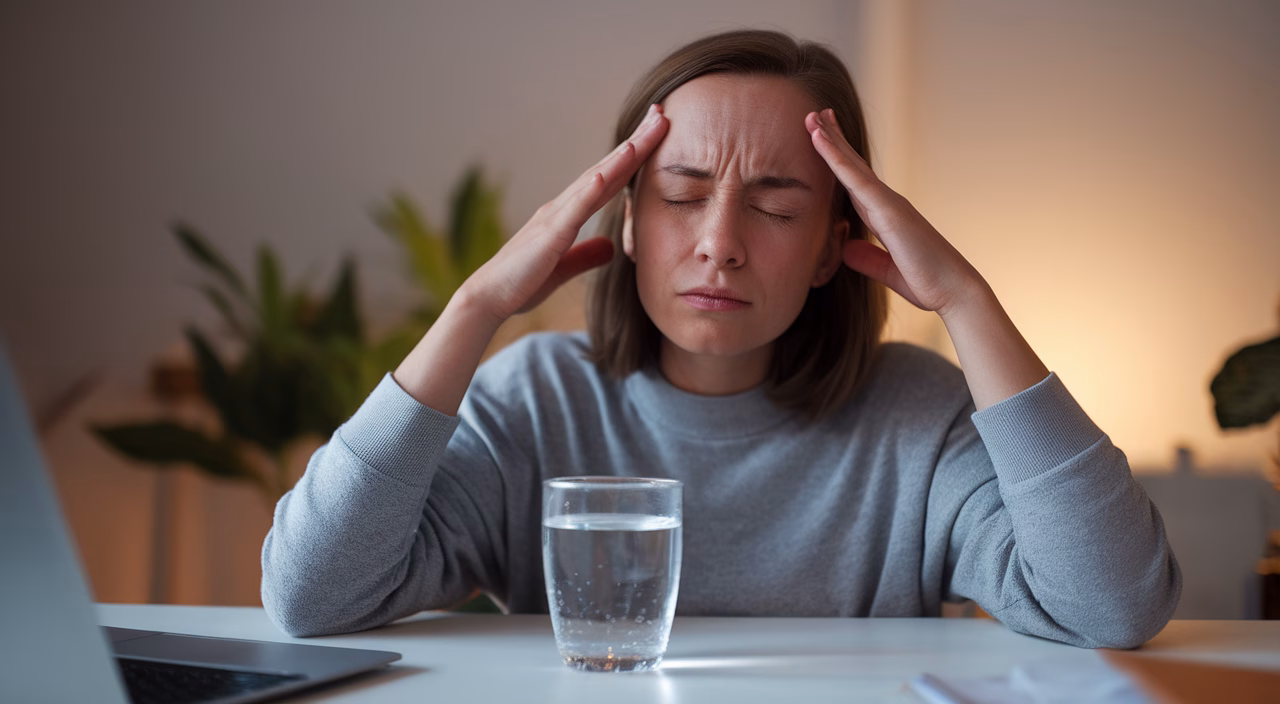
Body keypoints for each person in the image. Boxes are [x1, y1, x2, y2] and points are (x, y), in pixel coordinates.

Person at [261, 30, 1180, 649]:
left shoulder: (916, 418)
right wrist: (473, 310)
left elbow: (1112, 605)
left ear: (834, 246)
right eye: (682, 195)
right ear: (625, 223)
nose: (720, 244)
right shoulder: (537, 398)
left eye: (777, 207)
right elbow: (312, 595)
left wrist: (970, 303)